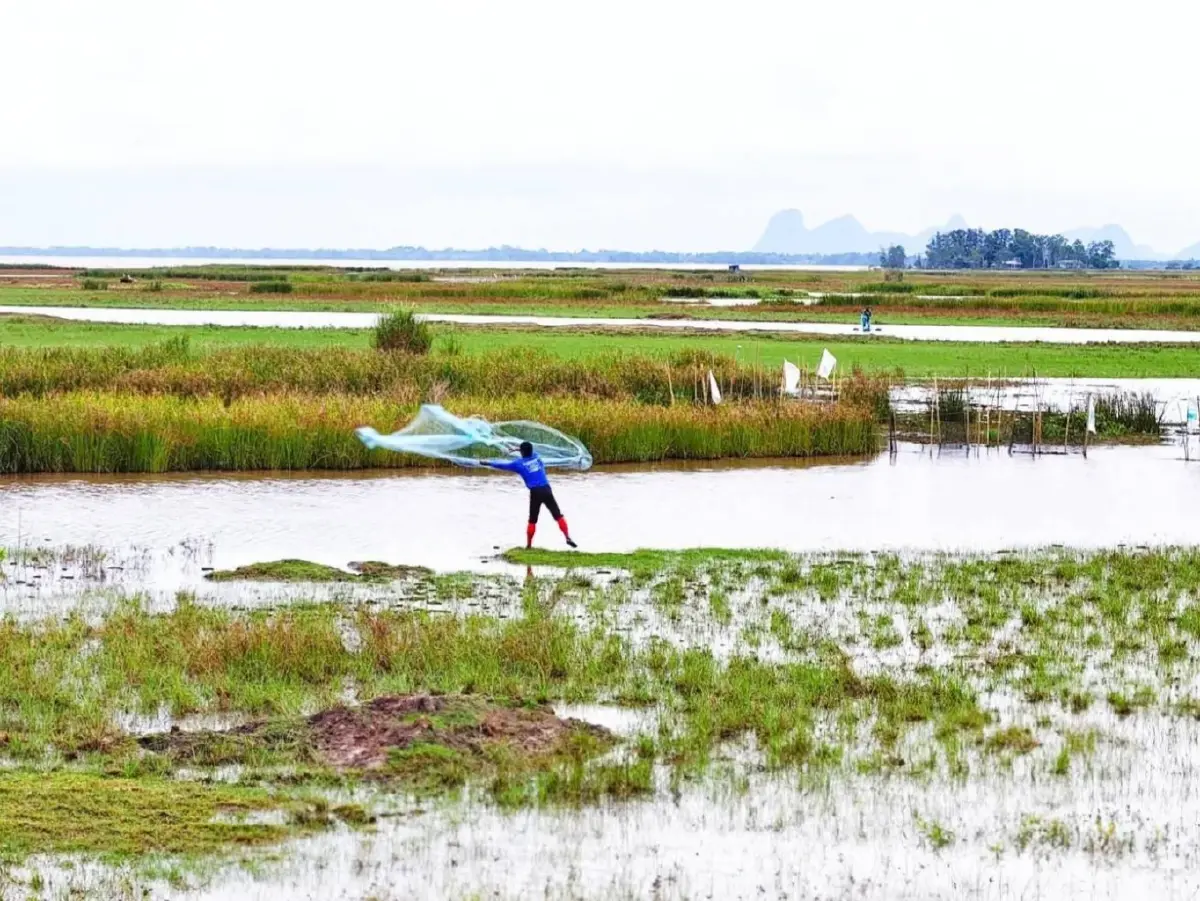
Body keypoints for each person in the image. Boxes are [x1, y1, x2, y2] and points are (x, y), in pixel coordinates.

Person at [482, 441, 577, 549]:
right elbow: (529, 451)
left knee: (532, 520)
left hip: (535, 492)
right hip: (546, 489)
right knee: (558, 515)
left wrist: (488, 463)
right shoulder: (537, 457)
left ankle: (529, 545)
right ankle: (567, 537)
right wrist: (518, 449)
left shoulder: (518, 464)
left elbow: (502, 465)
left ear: (522, 452)